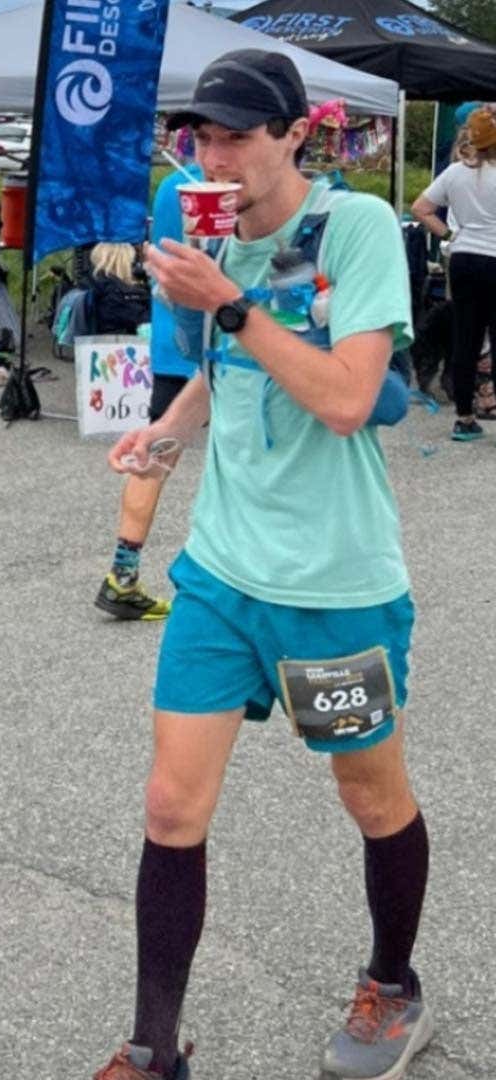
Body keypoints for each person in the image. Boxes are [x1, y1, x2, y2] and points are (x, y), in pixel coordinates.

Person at [95, 50, 430, 1080]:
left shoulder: (354, 230)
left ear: (296, 134)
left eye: (240, 134)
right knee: (169, 805)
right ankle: (155, 1049)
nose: (218, 155)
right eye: (203, 136)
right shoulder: (213, 239)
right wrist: (168, 427)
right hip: (221, 582)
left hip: (331, 592)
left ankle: (392, 984)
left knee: (369, 797)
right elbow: (224, 370)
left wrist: (229, 302)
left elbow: (343, 397)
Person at [93, 167, 201, 621]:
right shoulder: (222, 192)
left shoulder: (170, 185)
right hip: (213, 341)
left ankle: (123, 572)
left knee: (153, 463)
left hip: (169, 341)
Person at [412, 105, 496, 441]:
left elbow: (421, 209)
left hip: (463, 257)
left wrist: (449, 235)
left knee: (466, 338)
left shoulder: (456, 172)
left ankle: (464, 419)